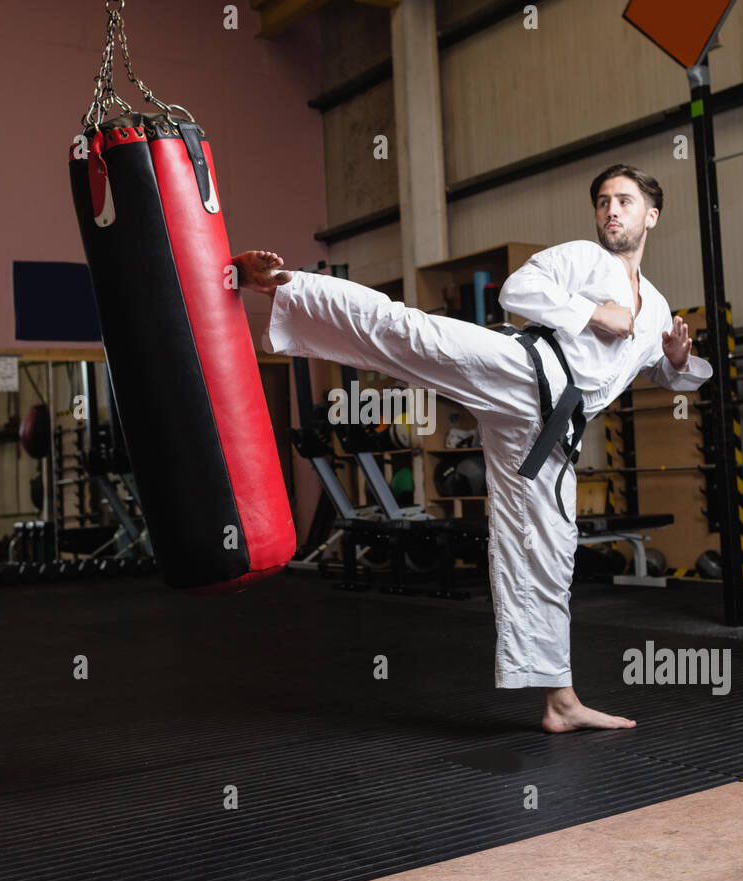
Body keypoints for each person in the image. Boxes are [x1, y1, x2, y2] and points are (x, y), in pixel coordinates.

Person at [236, 165, 712, 733]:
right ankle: (277, 283)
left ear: (650, 216)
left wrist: (680, 363)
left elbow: (666, 371)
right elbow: (518, 290)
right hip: (519, 373)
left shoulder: (656, 306)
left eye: (626, 201)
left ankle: (560, 702)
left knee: (546, 555)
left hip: (550, 436)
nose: (612, 209)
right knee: (411, 333)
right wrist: (594, 312)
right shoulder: (583, 260)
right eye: (604, 200)